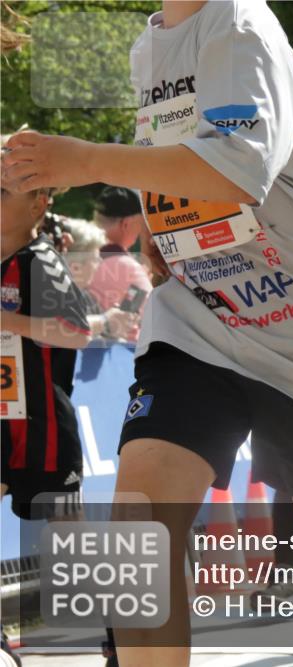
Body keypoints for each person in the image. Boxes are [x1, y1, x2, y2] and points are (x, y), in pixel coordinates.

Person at [1, 3, 293, 666]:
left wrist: (83, 159)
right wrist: (168, 237)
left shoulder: (238, 24)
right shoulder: (151, 45)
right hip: (199, 322)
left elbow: (234, 170)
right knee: (138, 533)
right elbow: (174, 164)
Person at [1, 138, 91, 522]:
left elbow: (77, 332)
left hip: (45, 431)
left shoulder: (41, 261)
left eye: (2, 192)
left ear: (37, 204)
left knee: (74, 549)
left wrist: (5, 321)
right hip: (4, 423)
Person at [87, 186, 152, 342]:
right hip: (122, 357)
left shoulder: (77, 259)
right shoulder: (129, 267)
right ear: (126, 224)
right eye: (140, 223)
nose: (141, 230)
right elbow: (153, 314)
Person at [60, 217, 139, 341]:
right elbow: (64, 328)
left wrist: (115, 326)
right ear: (75, 268)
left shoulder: (87, 298)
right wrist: (105, 321)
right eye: (95, 259)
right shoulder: (52, 295)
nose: (100, 262)